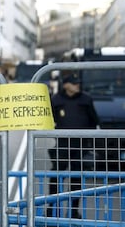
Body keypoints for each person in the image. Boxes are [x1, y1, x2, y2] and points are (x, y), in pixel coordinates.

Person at [47, 72, 99, 219]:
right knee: (56, 177)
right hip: (63, 144)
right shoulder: (56, 99)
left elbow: (94, 120)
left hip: (80, 145)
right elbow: (49, 118)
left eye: (78, 83)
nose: (77, 86)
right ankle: (51, 207)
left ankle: (73, 210)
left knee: (76, 179)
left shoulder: (86, 99)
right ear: (66, 85)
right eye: (74, 83)